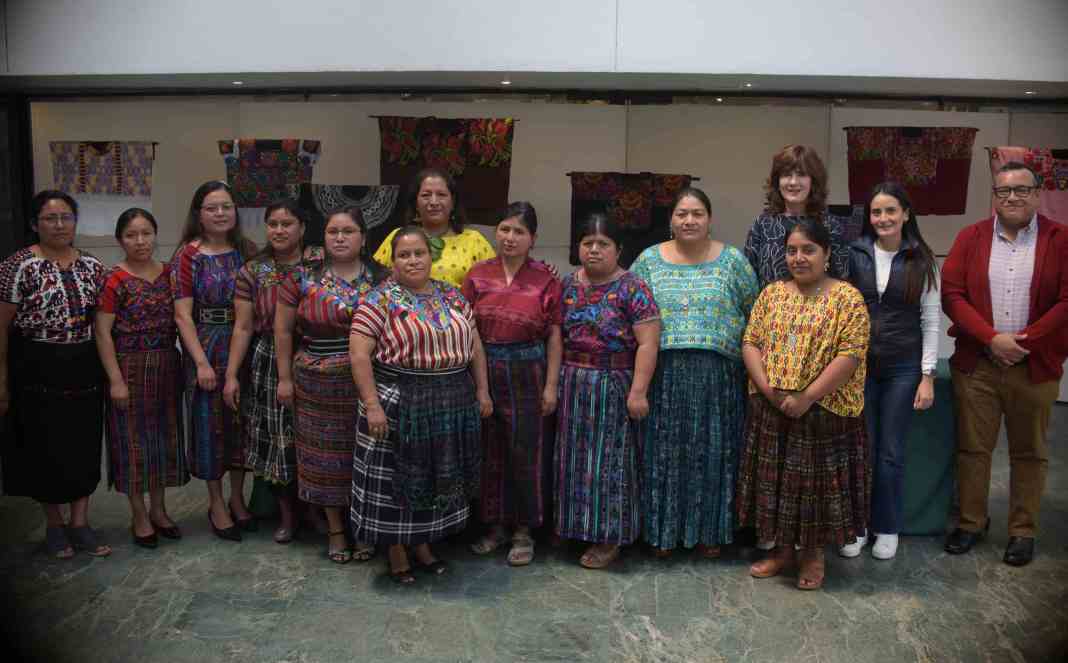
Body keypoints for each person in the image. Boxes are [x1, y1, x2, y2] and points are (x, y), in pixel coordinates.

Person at [942, 162, 1068, 567]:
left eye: (1021, 189)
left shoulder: (1061, 238)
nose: (1011, 197)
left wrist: (1022, 342)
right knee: (972, 449)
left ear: (1037, 192)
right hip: (978, 364)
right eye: (1002, 191)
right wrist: (991, 338)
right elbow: (953, 294)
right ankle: (971, 522)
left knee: (1029, 451)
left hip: (1034, 366)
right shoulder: (971, 237)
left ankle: (1022, 531)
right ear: (993, 195)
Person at [350, 225, 492, 584]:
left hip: (451, 400)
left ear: (432, 257)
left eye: (420, 253)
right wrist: (372, 405)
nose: (413, 260)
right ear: (392, 261)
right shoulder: (378, 300)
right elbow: (359, 356)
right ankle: (397, 550)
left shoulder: (453, 295)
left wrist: (482, 391)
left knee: (433, 477)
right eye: (404, 254)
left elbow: (475, 345)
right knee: (399, 480)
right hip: (399, 399)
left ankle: (423, 545)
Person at [736, 218, 870, 590]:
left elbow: (851, 354)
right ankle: (782, 551)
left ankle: (812, 554)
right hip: (772, 407)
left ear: (827, 254)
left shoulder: (847, 298)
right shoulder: (772, 294)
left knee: (815, 489)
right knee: (777, 484)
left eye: (808, 250)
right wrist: (767, 390)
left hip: (824, 412)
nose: (798, 257)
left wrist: (807, 396)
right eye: (792, 250)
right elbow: (751, 342)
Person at [631, 187, 759, 559]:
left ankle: (710, 533)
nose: (689, 220)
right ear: (671, 220)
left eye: (697, 213)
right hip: (664, 377)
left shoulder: (733, 261)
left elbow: (755, 317)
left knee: (714, 455)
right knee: (665, 455)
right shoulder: (648, 261)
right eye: (682, 213)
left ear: (709, 219)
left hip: (718, 379)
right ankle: (663, 533)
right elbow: (633, 318)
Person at [0, 190, 111, 558]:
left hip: (84, 362)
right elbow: (2, 328)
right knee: (43, 445)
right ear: (35, 223)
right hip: (34, 362)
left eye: (66, 217)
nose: (60, 225)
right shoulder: (17, 266)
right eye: (50, 218)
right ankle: (54, 526)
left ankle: (80, 523)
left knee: (82, 442)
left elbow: (102, 325)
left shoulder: (92, 266)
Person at [275, 206, 381, 563]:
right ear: (323, 237)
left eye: (348, 231)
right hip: (315, 382)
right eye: (333, 231)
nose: (339, 237)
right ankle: (336, 529)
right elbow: (283, 330)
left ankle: (364, 528)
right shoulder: (301, 278)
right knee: (325, 459)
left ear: (363, 238)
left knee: (365, 456)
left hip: (367, 382)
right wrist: (285, 378)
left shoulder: (383, 278)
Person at [556, 214, 660, 569]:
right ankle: (578, 528)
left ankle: (610, 536)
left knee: (609, 463)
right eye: (588, 243)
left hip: (614, 385)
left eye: (603, 244)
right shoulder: (568, 286)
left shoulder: (633, 287)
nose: (595, 250)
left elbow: (648, 343)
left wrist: (638, 391)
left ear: (619, 250)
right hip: (573, 384)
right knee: (574, 461)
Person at [463, 202, 563, 567]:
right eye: (504, 229)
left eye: (519, 232)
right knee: (491, 451)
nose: (509, 237)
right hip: (487, 365)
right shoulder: (477, 275)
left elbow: (554, 336)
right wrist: (481, 388)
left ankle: (524, 530)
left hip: (530, 371)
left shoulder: (546, 279)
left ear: (532, 239)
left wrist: (551, 386)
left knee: (527, 453)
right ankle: (494, 526)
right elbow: (470, 333)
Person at [844, 182, 940, 560]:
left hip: (903, 367)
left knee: (890, 452)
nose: (882, 218)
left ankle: (887, 526)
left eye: (890, 211)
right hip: (858, 366)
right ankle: (857, 528)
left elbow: (930, 319)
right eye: (876, 212)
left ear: (905, 214)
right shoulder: (854, 255)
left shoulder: (922, 259)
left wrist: (927, 374)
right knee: (860, 447)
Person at [223, 199, 320, 543]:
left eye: (287, 223)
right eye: (273, 224)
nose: (279, 230)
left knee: (314, 436)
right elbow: (243, 327)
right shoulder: (254, 270)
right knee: (278, 440)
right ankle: (288, 515)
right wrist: (232, 374)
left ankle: (316, 508)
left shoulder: (319, 263)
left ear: (302, 228)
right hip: (267, 360)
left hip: (315, 354)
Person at [96, 208, 188, 549]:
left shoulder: (168, 274)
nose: (140, 241)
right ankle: (138, 514)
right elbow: (103, 334)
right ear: (121, 240)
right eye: (132, 235)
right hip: (128, 367)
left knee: (162, 440)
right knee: (131, 443)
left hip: (165, 365)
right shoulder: (114, 279)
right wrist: (115, 380)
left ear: (154, 234)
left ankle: (160, 511)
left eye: (146, 233)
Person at [171, 180, 257, 542]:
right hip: (204, 344)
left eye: (226, 206)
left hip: (243, 343)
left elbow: (250, 313)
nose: (220, 214)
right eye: (212, 208)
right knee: (208, 425)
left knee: (240, 422)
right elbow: (182, 316)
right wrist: (202, 364)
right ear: (199, 214)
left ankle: (238, 497)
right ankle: (216, 502)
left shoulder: (246, 252)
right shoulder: (187, 255)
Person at [744, 144, 852, 288]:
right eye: (787, 175)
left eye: (801, 174)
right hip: (770, 308)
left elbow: (841, 281)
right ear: (778, 181)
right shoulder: (762, 225)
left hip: (820, 308)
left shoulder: (831, 226)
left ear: (813, 181)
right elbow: (748, 281)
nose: (793, 182)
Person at [374, 167, 495, 287]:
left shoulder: (474, 241)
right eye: (426, 195)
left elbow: (493, 288)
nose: (433, 202)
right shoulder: (400, 237)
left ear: (453, 202)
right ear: (416, 203)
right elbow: (374, 279)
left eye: (441, 195)